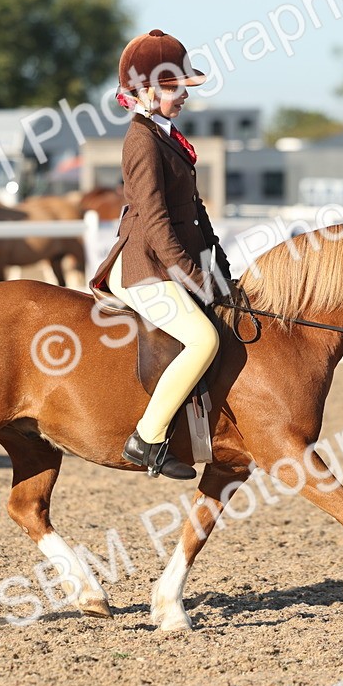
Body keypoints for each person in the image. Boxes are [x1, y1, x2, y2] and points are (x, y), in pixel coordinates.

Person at [90, 29, 233, 481]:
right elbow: (155, 221)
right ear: (146, 92)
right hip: (145, 268)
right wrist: (193, 276)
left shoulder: (166, 135)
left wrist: (220, 266)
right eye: (174, 88)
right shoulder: (142, 140)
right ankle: (146, 438)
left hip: (169, 263)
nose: (183, 95)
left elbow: (194, 209)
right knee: (204, 340)